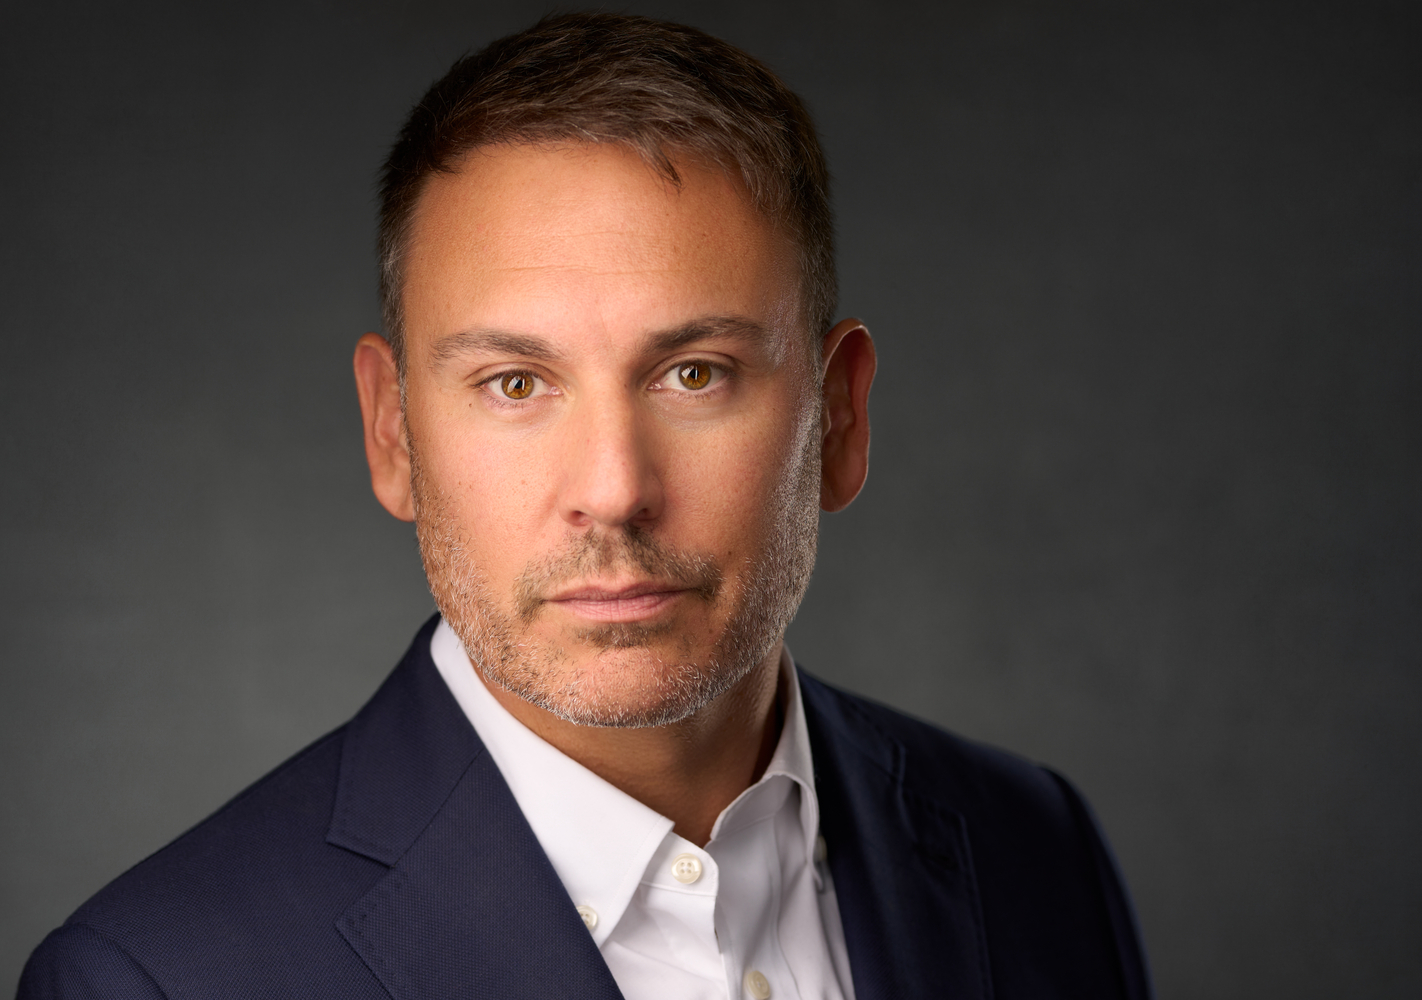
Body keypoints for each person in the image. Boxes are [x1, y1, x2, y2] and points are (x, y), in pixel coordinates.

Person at [18, 12, 1151, 1000]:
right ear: (393, 432)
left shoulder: (1035, 849)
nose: (613, 490)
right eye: (516, 384)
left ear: (840, 419)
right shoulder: (154, 980)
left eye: (695, 374)